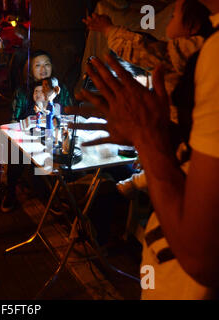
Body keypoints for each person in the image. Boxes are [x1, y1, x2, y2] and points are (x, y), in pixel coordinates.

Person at [73, 0, 219, 299]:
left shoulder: (207, 50)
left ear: (191, 26)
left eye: (175, 14)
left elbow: (200, 257)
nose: (166, 25)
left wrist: (148, 139)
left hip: (184, 277)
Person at [82, 0, 213, 197]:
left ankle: (123, 188)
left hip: (182, 148)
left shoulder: (192, 48)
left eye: (173, 16)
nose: (168, 20)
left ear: (192, 27)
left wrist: (109, 29)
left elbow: (147, 50)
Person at [1, 50, 74, 213]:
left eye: (47, 64)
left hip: (52, 135)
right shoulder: (22, 91)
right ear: (30, 69)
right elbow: (14, 119)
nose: (43, 69)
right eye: (38, 65)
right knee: (16, 153)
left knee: (57, 155)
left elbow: (70, 112)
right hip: (27, 135)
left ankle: (52, 195)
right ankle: (10, 190)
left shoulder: (60, 88)